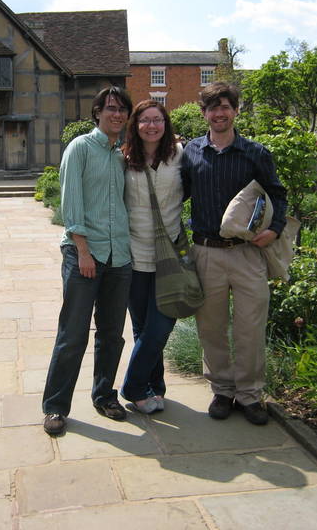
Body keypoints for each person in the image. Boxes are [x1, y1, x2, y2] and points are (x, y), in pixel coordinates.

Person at [181, 81, 287, 426]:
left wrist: (275, 228)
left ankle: (250, 395)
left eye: (225, 106)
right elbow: (175, 194)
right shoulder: (192, 153)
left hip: (246, 254)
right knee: (211, 327)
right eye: (213, 108)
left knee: (250, 327)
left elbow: (277, 194)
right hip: (206, 251)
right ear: (204, 114)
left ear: (236, 111)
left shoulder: (255, 153)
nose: (219, 113)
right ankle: (223, 391)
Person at [42, 86, 134, 436]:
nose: (117, 115)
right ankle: (55, 406)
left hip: (119, 256)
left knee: (112, 334)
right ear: (97, 112)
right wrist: (83, 251)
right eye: (111, 108)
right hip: (85, 254)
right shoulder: (80, 148)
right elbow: (71, 205)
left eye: (122, 110)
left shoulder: (119, 155)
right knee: (73, 333)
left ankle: (105, 396)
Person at [120, 100, 184, 414]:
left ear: (165, 123)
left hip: (169, 256)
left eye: (157, 119)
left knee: (160, 326)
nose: (151, 125)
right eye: (144, 120)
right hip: (134, 255)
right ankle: (153, 389)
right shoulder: (124, 158)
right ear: (136, 125)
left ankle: (132, 386)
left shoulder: (179, 155)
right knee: (142, 328)